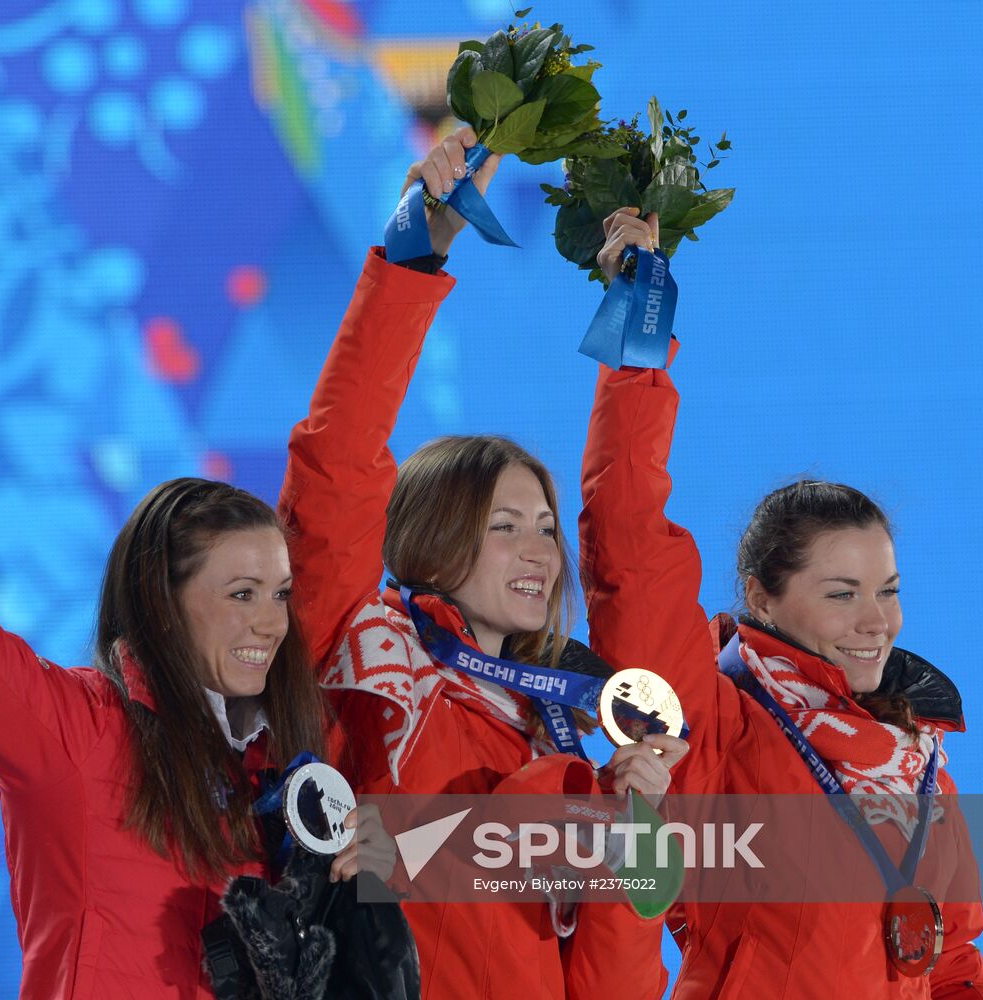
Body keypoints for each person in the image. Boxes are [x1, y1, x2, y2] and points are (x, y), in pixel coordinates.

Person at [0, 273, 398, 999]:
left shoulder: (289, 762)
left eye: (279, 594)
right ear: (160, 606)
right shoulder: (77, 736)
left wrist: (412, 258)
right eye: (241, 594)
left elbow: (338, 480)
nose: (272, 621)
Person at [277, 129, 689, 999]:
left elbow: (612, 983)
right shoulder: (361, 646)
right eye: (506, 526)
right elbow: (336, 462)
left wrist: (633, 829)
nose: (540, 551)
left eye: (545, 527)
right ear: (431, 533)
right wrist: (411, 259)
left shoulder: (572, 719)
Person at [577, 207, 983, 997]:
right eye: (840, 594)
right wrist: (636, 349)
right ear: (759, 599)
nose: (876, 621)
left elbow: (950, 962)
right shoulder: (715, 727)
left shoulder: (919, 752)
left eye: (887, 590)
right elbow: (626, 551)